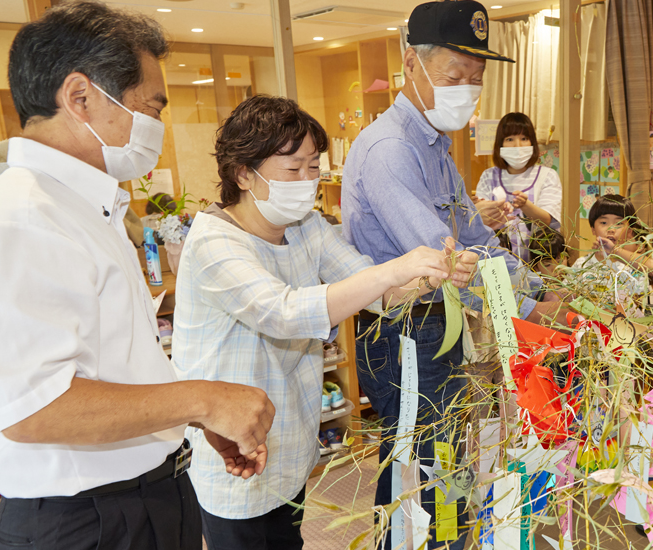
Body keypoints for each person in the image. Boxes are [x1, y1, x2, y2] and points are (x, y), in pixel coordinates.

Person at [0, 4, 277, 548]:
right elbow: (35, 408)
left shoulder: (87, 207)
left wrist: (183, 422)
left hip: (145, 498)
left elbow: (111, 367)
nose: (157, 126)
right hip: (86, 522)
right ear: (79, 98)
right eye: (151, 107)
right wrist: (201, 399)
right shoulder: (18, 220)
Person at [170, 96, 476, 548]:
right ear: (243, 174)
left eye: (314, 167)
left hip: (289, 441)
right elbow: (284, 311)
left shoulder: (306, 226)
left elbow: (376, 292)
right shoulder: (214, 242)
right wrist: (392, 268)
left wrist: (429, 278)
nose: (307, 181)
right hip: (235, 450)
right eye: (292, 170)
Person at [339, 4, 560, 547]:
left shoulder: (436, 147)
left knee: (445, 461)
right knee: (422, 468)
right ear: (411, 64)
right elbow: (447, 257)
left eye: (476, 80)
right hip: (404, 332)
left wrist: (540, 292)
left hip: (442, 328)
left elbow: (479, 240)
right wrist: (532, 310)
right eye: (454, 78)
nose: (467, 91)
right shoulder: (391, 150)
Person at [474, 112, 562, 262]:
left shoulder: (547, 175)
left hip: (540, 264)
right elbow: (482, 222)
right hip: (498, 261)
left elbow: (546, 221)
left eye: (524, 138)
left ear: (532, 143)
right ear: (500, 144)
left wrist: (525, 205)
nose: (518, 145)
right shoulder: (489, 176)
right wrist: (476, 208)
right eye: (510, 139)